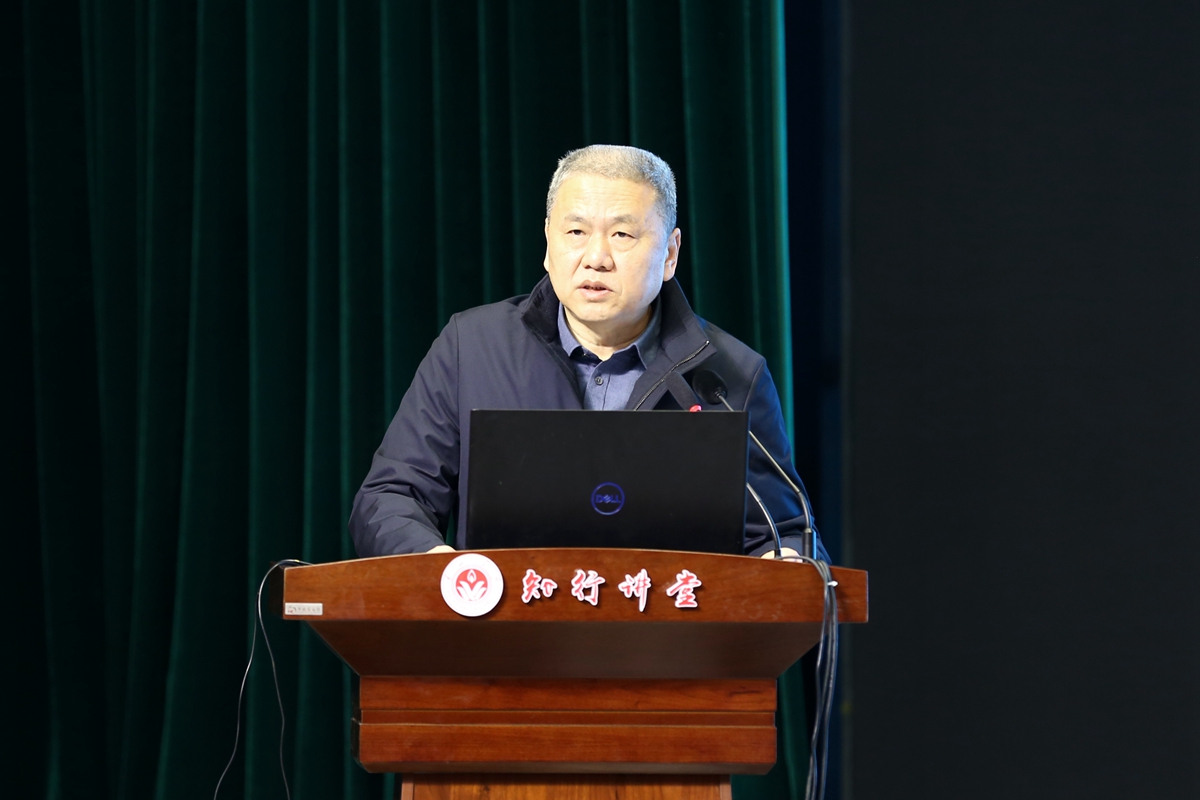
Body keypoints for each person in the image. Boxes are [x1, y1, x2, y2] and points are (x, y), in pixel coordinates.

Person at [350, 144, 828, 562]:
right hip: (502, 629)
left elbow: (784, 533)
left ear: (670, 253)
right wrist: (445, 572)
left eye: (622, 235)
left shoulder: (728, 375)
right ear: (548, 243)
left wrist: (785, 561)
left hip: (667, 634)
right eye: (576, 232)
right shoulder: (472, 347)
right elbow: (391, 496)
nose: (596, 258)